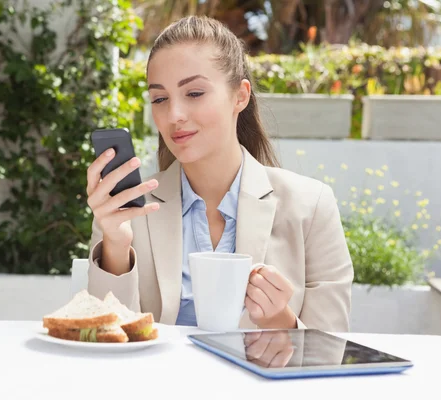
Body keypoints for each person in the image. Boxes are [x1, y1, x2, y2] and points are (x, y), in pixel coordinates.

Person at [84, 15, 353, 331]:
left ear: (240, 95)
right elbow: (106, 334)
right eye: (159, 99)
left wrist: (280, 320)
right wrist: (115, 244)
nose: (174, 115)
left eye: (194, 93)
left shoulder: (311, 205)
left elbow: (329, 352)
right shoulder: (126, 211)